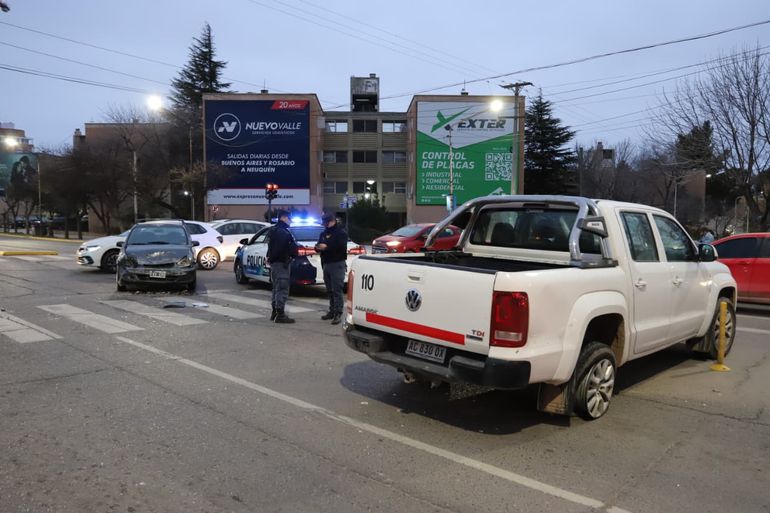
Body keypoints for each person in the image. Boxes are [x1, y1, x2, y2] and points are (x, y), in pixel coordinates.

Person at [315, 213, 348, 325]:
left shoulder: (340, 233)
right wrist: (318, 247)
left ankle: (338, 313)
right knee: (329, 290)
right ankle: (332, 310)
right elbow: (318, 245)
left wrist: (327, 247)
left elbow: (341, 247)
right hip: (326, 263)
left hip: (337, 263)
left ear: (332, 221)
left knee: (337, 290)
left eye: (326, 222)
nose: (324, 224)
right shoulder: (324, 233)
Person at [266, 210, 298, 324]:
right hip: (282, 264)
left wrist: (270, 257)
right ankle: (280, 314)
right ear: (284, 218)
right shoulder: (283, 232)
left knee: (276, 288)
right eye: (289, 218)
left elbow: (271, 248)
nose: (290, 221)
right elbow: (286, 249)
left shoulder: (274, 230)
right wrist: (294, 251)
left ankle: (275, 312)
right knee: (282, 289)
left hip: (275, 264)